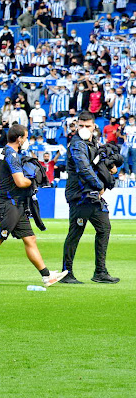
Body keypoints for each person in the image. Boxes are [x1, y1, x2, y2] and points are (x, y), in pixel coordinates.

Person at [0, 124, 68, 288]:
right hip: (8, 204)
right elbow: (20, 181)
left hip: (17, 204)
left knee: (30, 238)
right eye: (25, 137)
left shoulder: (9, 152)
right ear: (19, 138)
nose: (27, 140)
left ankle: (46, 276)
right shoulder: (12, 155)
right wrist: (34, 181)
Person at [61, 112, 119, 284]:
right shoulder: (77, 145)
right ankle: (67, 273)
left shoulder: (92, 143)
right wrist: (101, 185)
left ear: (94, 126)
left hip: (91, 195)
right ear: (76, 126)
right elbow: (84, 169)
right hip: (80, 195)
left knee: (104, 228)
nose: (84, 129)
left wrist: (109, 171)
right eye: (81, 125)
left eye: (87, 126)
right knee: (75, 233)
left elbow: (96, 166)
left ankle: (100, 271)